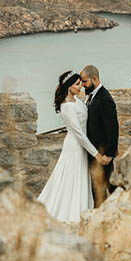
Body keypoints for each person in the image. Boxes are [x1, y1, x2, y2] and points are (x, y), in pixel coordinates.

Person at [37, 70, 111, 222]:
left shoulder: (76, 100)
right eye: (77, 84)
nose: (81, 87)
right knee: (72, 180)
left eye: (81, 83)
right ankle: (72, 215)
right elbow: (79, 134)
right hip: (75, 147)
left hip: (81, 146)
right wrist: (96, 154)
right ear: (69, 87)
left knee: (80, 178)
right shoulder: (67, 106)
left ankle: (83, 210)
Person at [80, 65, 119, 208]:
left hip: (103, 154)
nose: (83, 85)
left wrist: (109, 154)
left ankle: (120, 212)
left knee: (109, 186)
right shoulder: (92, 96)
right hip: (95, 152)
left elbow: (113, 128)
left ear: (94, 79)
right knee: (98, 188)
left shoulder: (104, 98)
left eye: (85, 82)